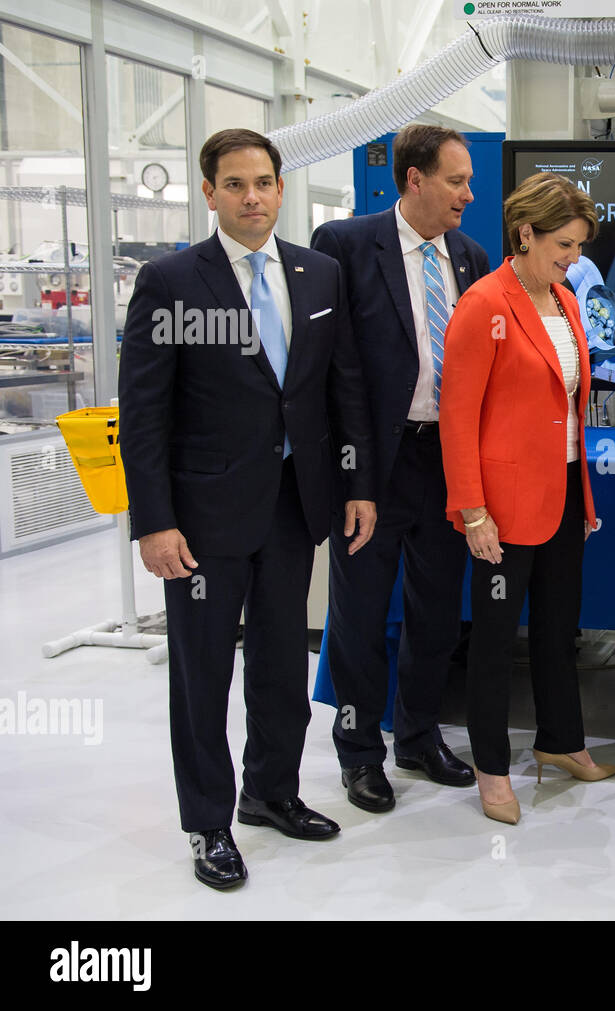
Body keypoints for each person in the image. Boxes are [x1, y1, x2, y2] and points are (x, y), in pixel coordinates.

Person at [119, 128, 376, 889]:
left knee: (278, 662)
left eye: (263, 182)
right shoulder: (171, 281)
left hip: (295, 507)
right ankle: (208, 823)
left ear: (281, 188)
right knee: (202, 674)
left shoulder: (318, 273)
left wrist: (358, 483)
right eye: (235, 184)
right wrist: (154, 520)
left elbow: (344, 390)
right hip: (202, 518)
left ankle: (272, 791)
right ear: (210, 193)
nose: (252, 196)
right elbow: (143, 412)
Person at [310, 125, 490, 813]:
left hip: (446, 460)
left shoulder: (470, 258)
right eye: (456, 180)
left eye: (469, 181)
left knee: (438, 611)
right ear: (413, 179)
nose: (468, 195)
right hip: (373, 465)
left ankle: (417, 735)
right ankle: (360, 752)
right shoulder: (346, 246)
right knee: (358, 616)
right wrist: (351, 475)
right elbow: (335, 370)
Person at [439, 172, 615, 826]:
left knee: (556, 629)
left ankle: (561, 740)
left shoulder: (566, 300)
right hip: (503, 505)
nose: (573, 259)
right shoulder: (485, 304)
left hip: (566, 491)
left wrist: (582, 491)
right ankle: (491, 767)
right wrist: (473, 510)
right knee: (492, 641)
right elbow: (457, 417)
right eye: (563, 246)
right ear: (525, 234)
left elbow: (566, 403)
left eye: (577, 247)